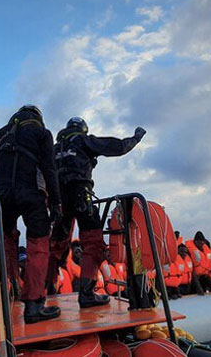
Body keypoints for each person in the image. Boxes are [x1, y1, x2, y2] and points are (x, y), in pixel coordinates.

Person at [48, 116, 146, 309]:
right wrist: (135, 138)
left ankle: (46, 292)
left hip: (58, 200)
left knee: (56, 245)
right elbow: (116, 147)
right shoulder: (83, 140)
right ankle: (87, 294)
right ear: (82, 129)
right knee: (93, 243)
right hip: (80, 195)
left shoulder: (53, 149)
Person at [0, 104, 62, 324]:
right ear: (38, 117)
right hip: (31, 192)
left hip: (2, 195)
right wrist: (56, 202)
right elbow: (49, 168)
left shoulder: (1, 133)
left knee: (7, 243)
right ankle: (34, 306)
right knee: (38, 245)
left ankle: (12, 291)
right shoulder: (42, 133)